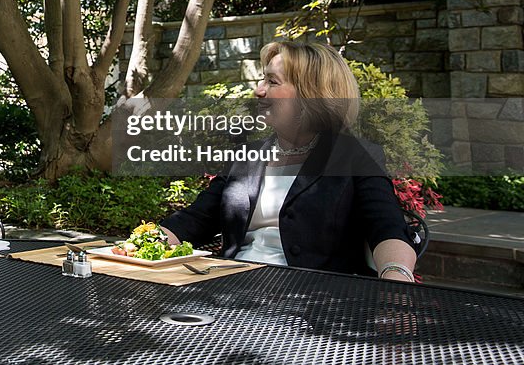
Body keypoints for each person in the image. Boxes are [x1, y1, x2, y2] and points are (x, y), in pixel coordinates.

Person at [160, 41, 418, 282]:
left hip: (313, 302)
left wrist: (397, 283)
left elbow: (388, 230)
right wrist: (140, 244)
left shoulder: (355, 156)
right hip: (231, 290)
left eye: (272, 82)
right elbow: (194, 220)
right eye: (263, 79)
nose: (259, 90)